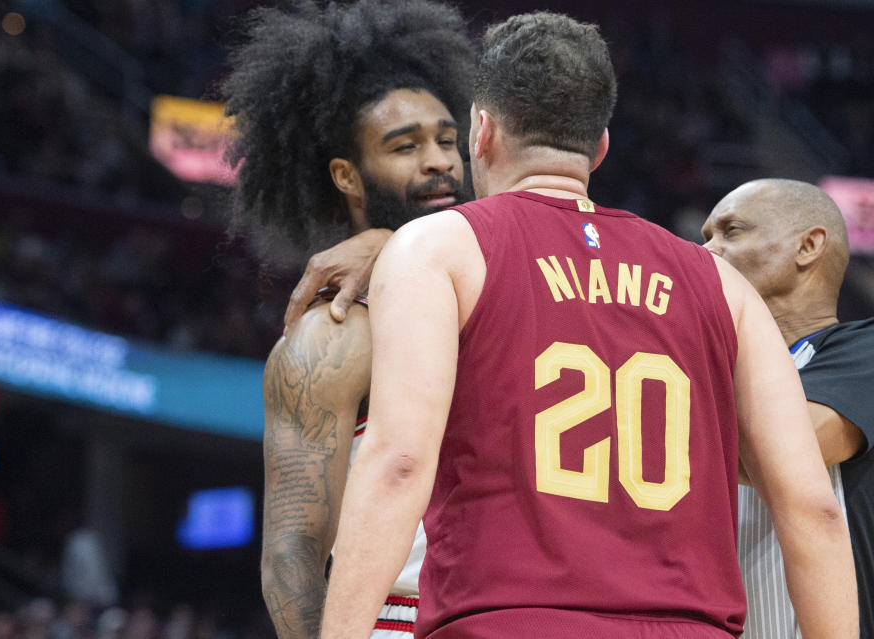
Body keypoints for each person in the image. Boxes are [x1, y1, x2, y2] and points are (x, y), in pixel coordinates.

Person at [319, 12, 857, 639]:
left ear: (482, 131)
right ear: (600, 145)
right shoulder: (721, 283)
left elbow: (400, 464)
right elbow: (813, 508)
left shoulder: (439, 248)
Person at [219, 2, 475, 638]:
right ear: (347, 176)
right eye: (405, 146)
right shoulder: (334, 333)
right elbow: (293, 551)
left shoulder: (499, 285)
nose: (439, 160)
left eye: (447, 140)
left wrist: (394, 247)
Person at [702, 178, 874, 639]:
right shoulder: (711, 376)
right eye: (705, 238)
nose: (708, 251)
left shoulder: (865, 349)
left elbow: (788, 449)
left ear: (809, 246)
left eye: (731, 231)